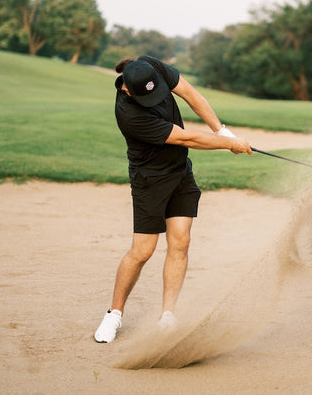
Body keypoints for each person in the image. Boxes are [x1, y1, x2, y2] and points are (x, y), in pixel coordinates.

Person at [94, 55, 252, 343]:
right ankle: (114, 314)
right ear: (129, 91)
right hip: (150, 180)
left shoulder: (152, 67)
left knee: (180, 241)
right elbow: (186, 138)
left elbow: (191, 95)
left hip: (180, 172)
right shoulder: (129, 113)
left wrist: (221, 130)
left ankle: (167, 316)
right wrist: (229, 144)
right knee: (143, 251)